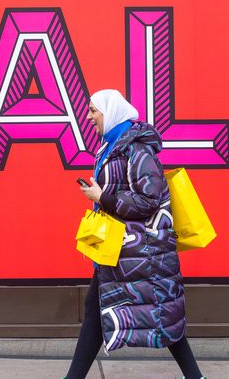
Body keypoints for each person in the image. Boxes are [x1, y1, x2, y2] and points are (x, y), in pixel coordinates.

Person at [64, 88, 205, 379]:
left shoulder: (136, 150)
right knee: (98, 310)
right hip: (121, 250)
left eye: (94, 110)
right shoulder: (112, 147)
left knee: (161, 313)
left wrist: (103, 197)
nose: (89, 117)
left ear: (110, 111)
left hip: (142, 252)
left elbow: (150, 200)